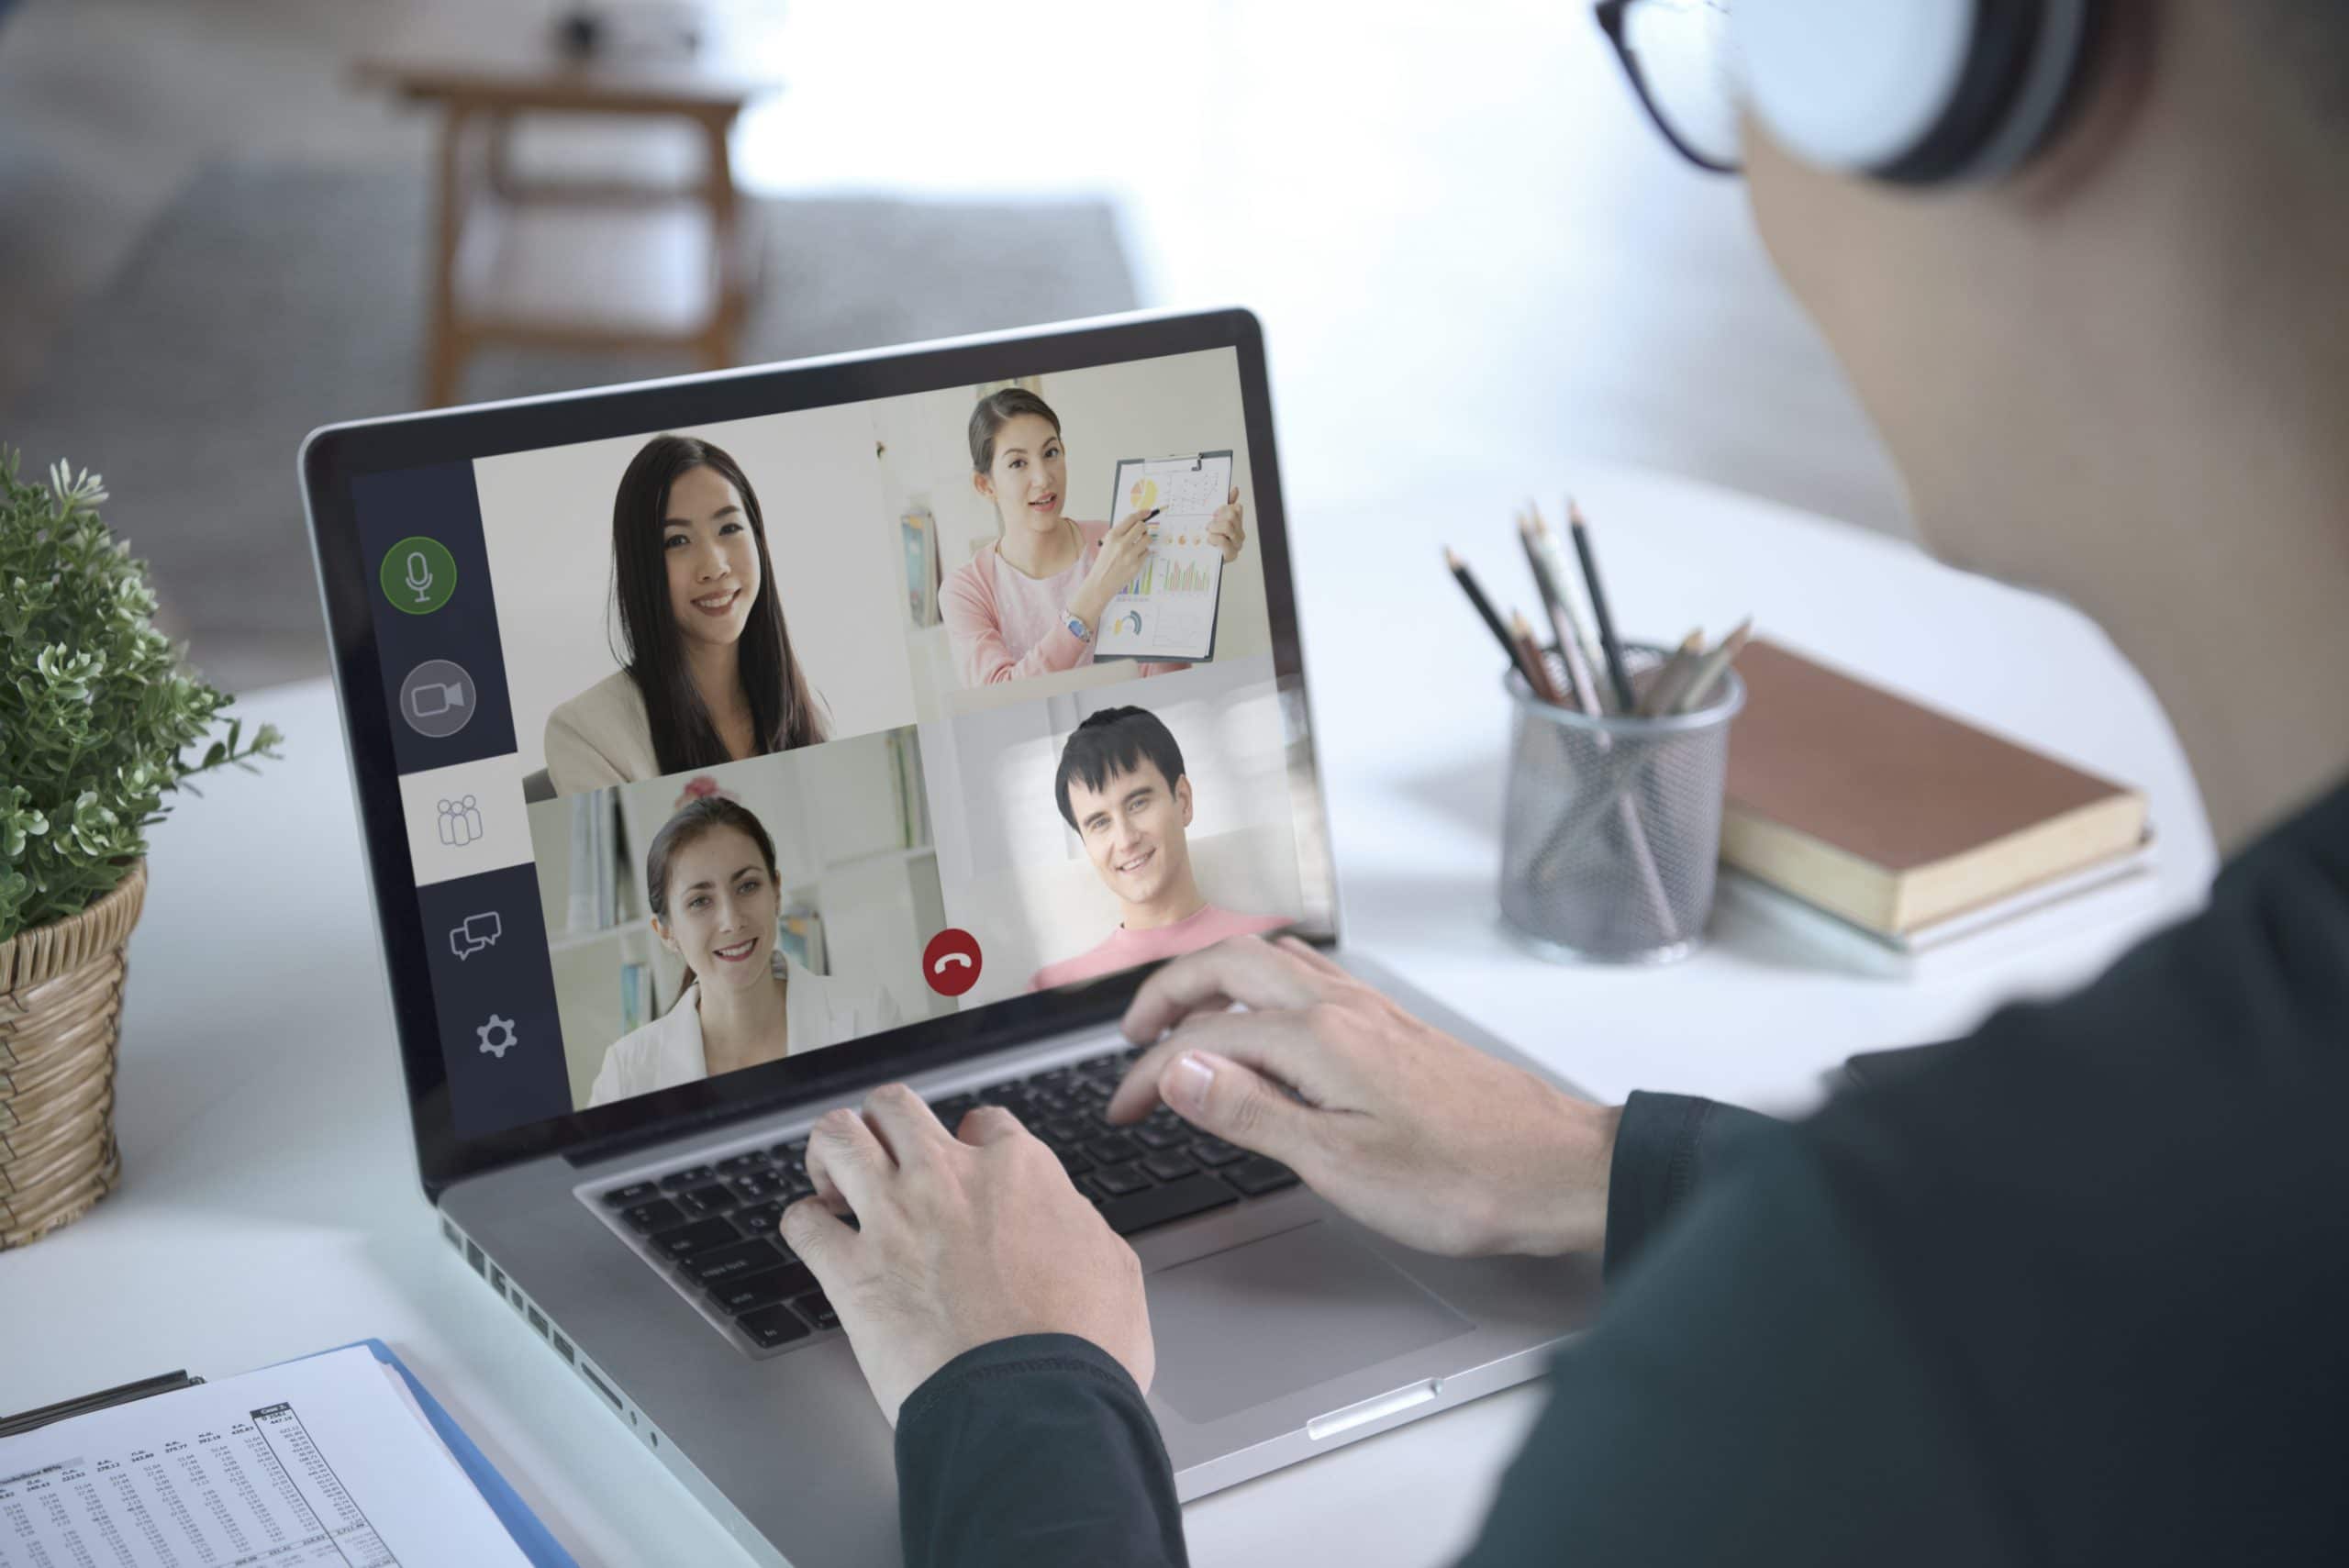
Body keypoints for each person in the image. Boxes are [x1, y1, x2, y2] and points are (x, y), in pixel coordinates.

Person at [774, 5, 2349, 1565]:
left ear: (1936, 56)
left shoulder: (1851, 1355)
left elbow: (1983, 1287)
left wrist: (1018, 1390)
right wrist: (1612, 1163)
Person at [545, 435, 829, 795]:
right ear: (642, 567)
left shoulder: (808, 708)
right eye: (677, 541)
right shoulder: (585, 733)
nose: (714, 566)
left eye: (729, 528)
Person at [586, 797, 897, 1106]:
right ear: (666, 932)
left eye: (747, 886)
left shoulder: (867, 1016)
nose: (732, 921)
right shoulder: (625, 1074)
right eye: (699, 901)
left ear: (776, 893)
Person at [940, 388, 1248, 688]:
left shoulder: (1117, 542)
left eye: (1051, 453)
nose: (1044, 478)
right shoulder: (966, 590)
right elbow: (1000, 701)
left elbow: (1167, 678)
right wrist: (1095, 592)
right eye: (1018, 463)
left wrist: (1205, 557)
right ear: (985, 485)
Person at [1028, 706, 1286, 990]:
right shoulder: (1055, 986)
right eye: (1100, 823)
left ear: (1184, 801)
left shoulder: (1277, 943)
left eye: (1138, 803)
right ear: (1087, 845)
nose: (1126, 840)